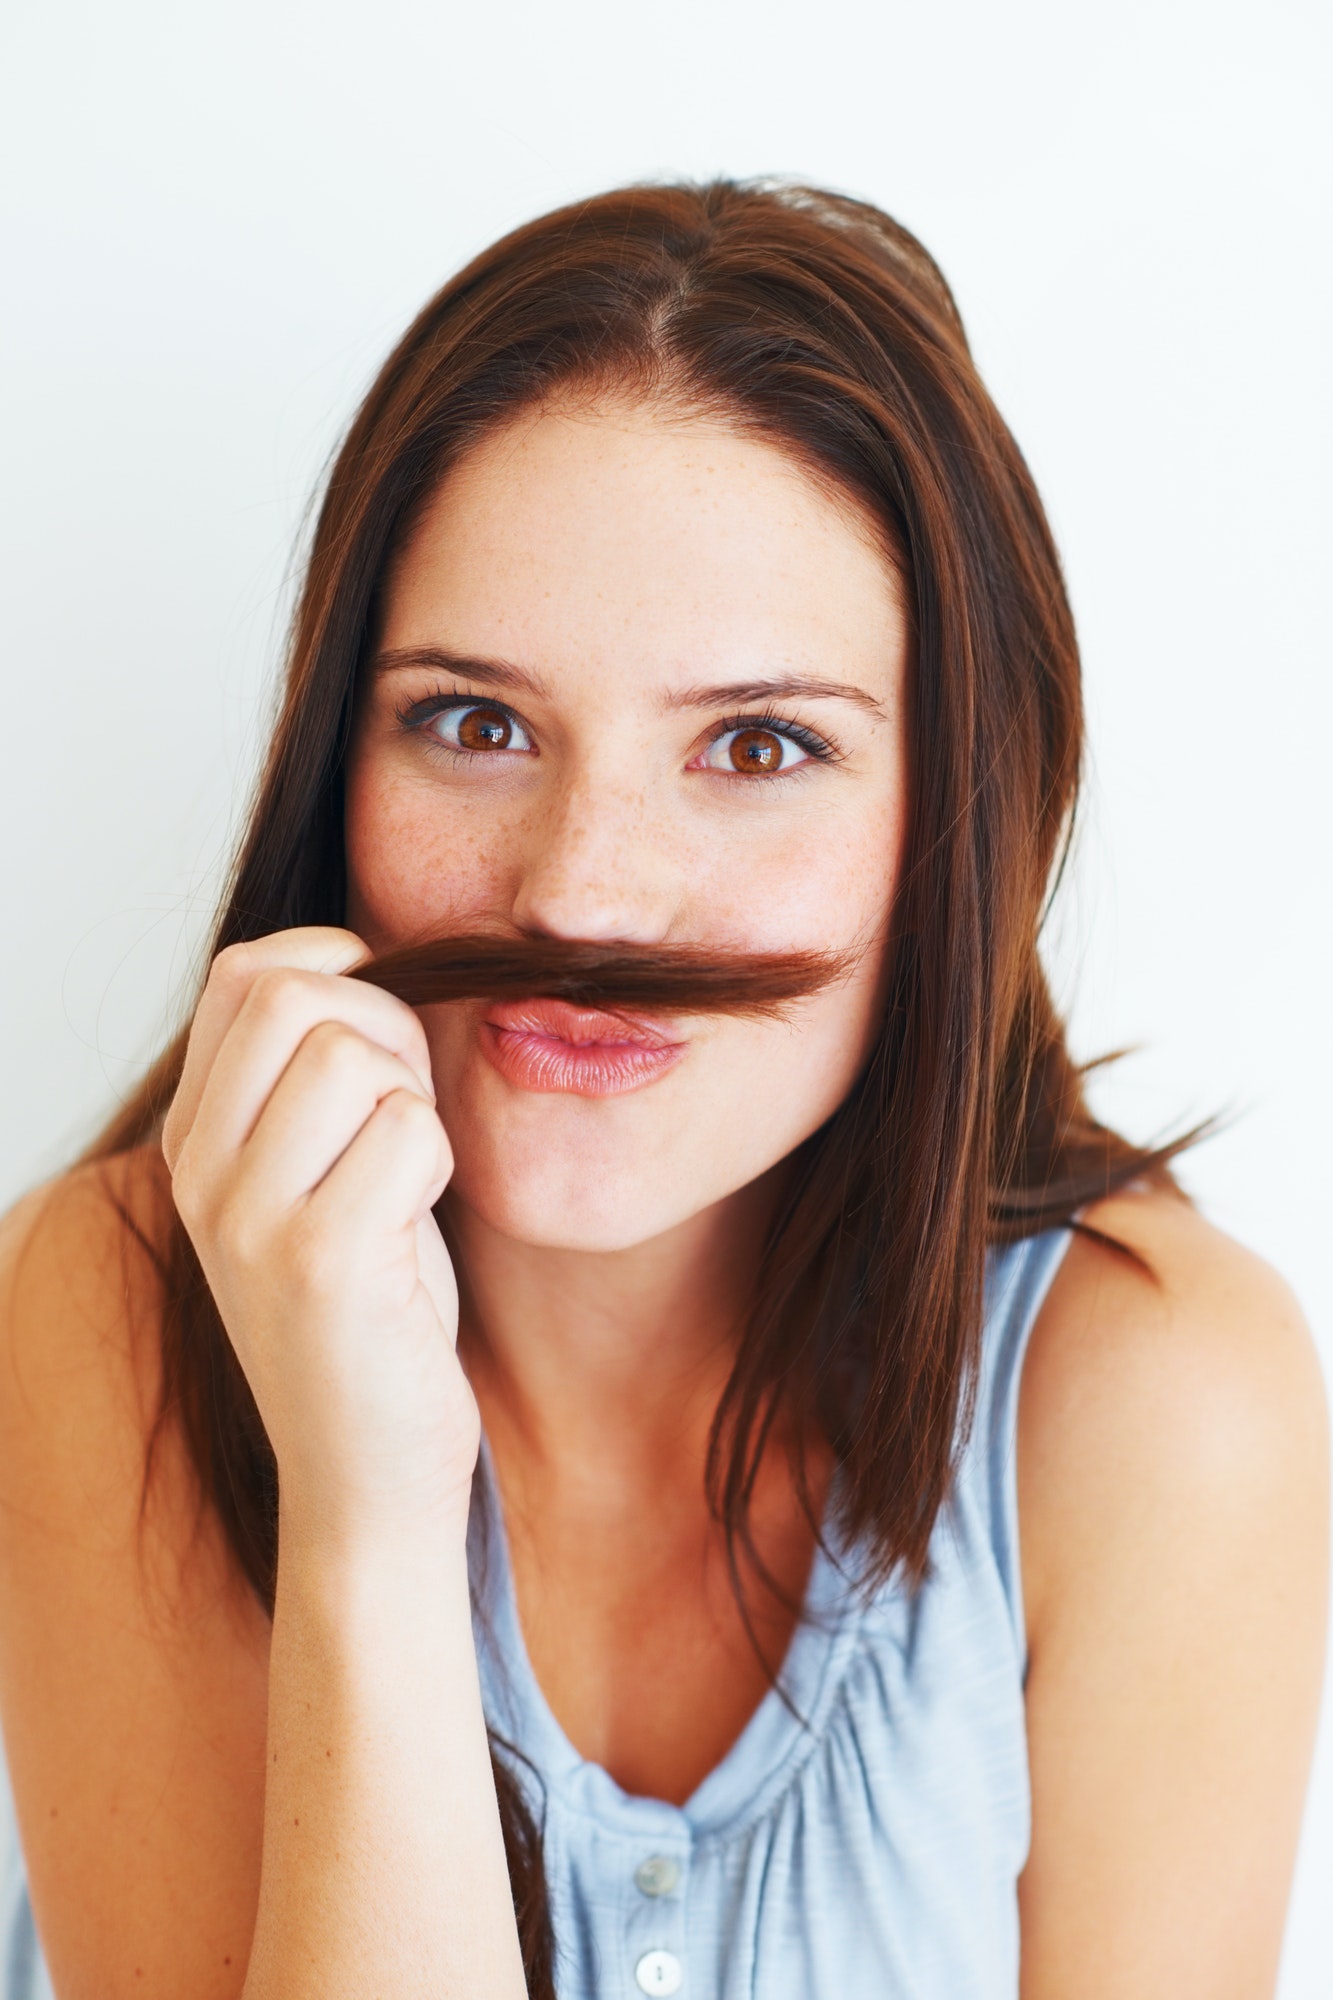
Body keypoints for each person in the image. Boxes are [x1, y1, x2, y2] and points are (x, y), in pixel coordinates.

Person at [0, 179, 1325, 2000]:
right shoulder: (113, 1314)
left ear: (953, 821)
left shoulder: (1159, 1399)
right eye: (474, 724)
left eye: (759, 745)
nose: (582, 893)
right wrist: (369, 1513)